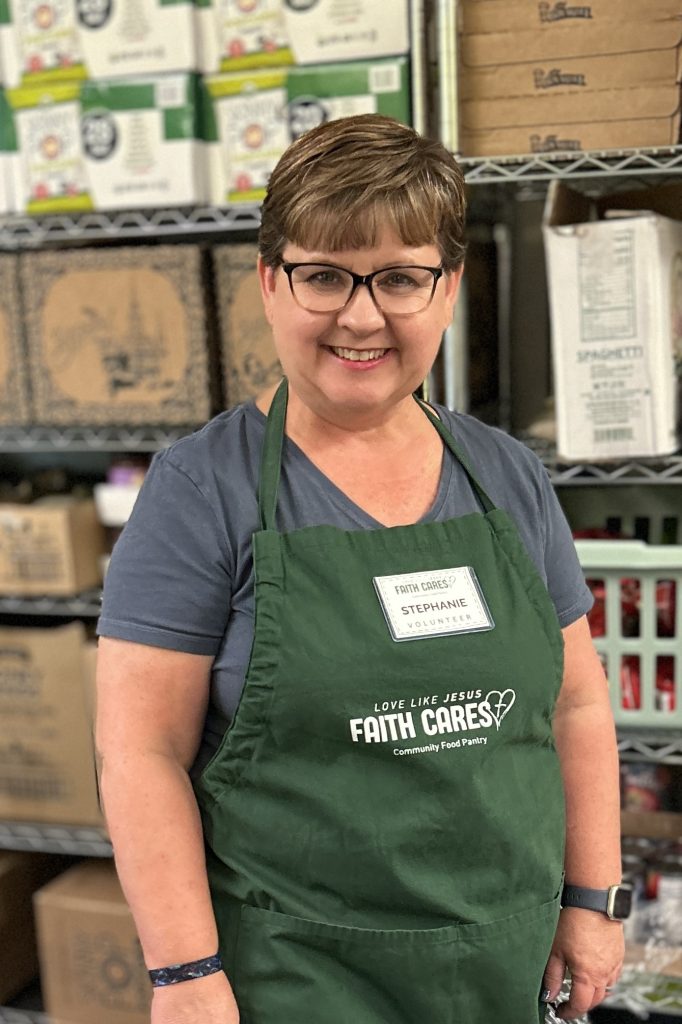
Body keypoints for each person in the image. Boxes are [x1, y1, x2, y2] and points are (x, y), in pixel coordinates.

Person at [95, 113, 625, 1024]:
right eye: (326, 275)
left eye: (400, 279)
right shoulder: (201, 489)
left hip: (503, 959)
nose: (361, 314)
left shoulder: (506, 476)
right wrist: (183, 972)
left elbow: (576, 703)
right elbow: (140, 752)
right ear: (270, 282)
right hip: (298, 974)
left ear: (448, 289)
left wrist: (593, 899)